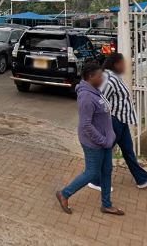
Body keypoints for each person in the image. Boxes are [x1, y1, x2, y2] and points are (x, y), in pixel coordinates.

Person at [56, 63, 124, 216]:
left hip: (105, 142)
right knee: (92, 173)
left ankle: (106, 204)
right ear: (90, 77)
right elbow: (86, 125)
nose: (102, 79)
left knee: (106, 170)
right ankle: (64, 194)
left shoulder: (95, 91)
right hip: (94, 143)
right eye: (99, 76)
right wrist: (103, 140)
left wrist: (109, 137)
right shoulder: (86, 97)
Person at [89, 52, 147, 192]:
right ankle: (95, 181)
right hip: (114, 120)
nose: (125, 66)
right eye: (123, 63)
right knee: (106, 151)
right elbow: (99, 98)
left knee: (128, 151)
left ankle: (142, 179)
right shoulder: (109, 79)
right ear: (116, 64)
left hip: (122, 121)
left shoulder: (115, 77)